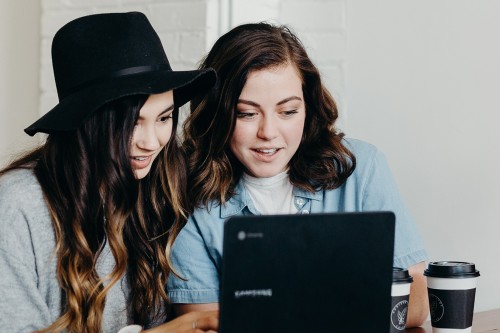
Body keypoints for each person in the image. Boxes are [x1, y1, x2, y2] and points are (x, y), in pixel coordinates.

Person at [167, 22, 430, 327]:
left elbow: (417, 301)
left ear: (308, 106)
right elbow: (201, 324)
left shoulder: (360, 167)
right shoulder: (187, 193)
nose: (268, 132)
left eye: (288, 111)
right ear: (218, 113)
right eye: (247, 113)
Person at [0, 12, 219, 333]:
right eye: (132, 122)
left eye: (164, 118)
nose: (151, 142)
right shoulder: (18, 206)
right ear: (89, 124)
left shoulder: (156, 188)